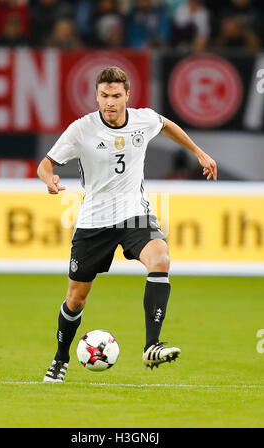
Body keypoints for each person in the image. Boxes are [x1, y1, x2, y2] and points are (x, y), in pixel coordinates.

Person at [37, 66, 217, 383]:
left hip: (135, 213)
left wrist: (198, 152)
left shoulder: (143, 119)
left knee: (160, 258)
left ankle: (152, 345)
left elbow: (166, 125)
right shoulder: (82, 129)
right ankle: (60, 358)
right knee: (76, 299)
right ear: (96, 96)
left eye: (116, 96)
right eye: (104, 96)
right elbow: (46, 163)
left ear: (127, 96)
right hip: (94, 222)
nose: (110, 102)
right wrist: (48, 178)